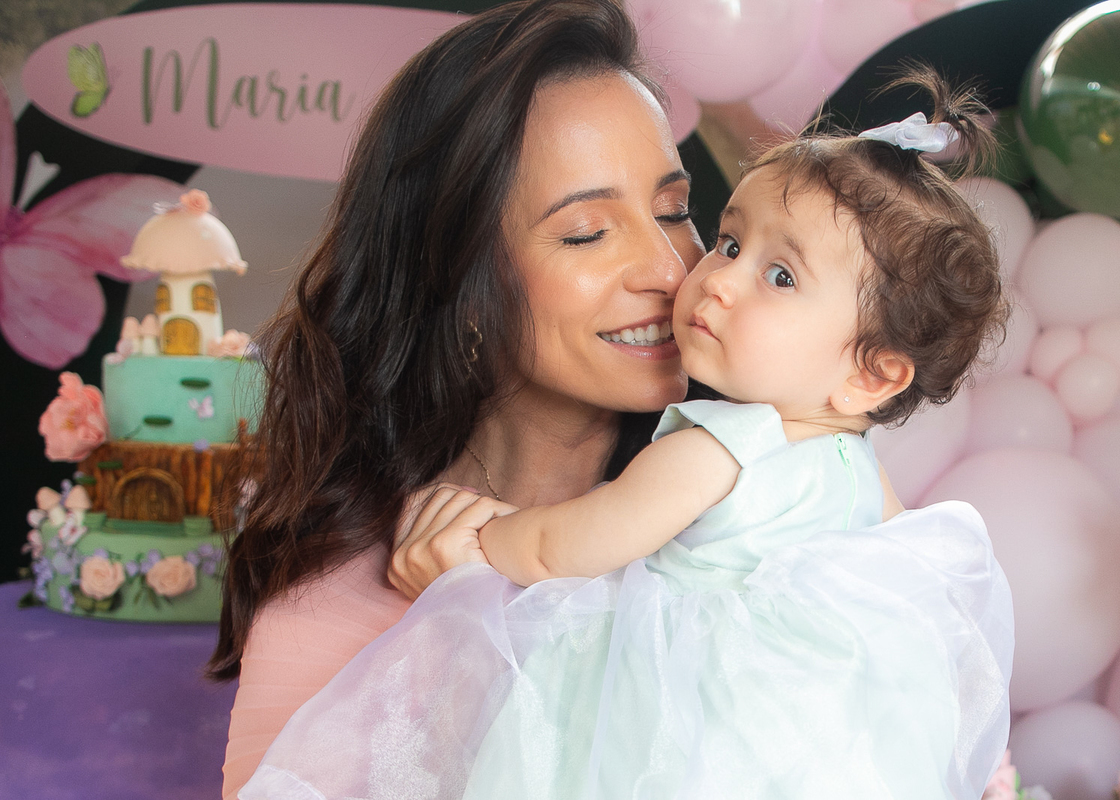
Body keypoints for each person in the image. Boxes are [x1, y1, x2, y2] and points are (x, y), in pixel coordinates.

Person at [239, 68, 1015, 800]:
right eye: (586, 232)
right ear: (463, 278)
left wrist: (485, 553)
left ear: (874, 377)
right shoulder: (850, 478)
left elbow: (562, 548)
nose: (686, 274)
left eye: (676, 214)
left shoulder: (724, 455)